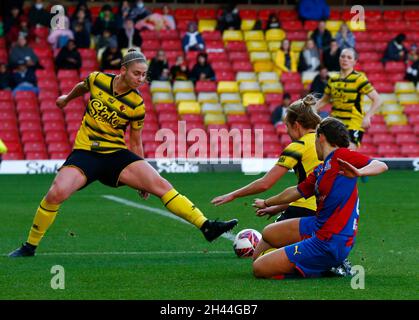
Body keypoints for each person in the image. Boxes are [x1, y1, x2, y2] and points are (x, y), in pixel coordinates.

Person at [8, 48, 238, 257]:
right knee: (56, 193)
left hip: (116, 155)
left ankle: (206, 226)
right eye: (137, 73)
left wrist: (141, 179)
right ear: (123, 70)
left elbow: (135, 141)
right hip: (86, 153)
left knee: (160, 184)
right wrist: (66, 99)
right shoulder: (97, 79)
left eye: (144, 75)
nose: (141, 79)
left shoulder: (137, 104)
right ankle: (29, 246)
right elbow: (82, 86)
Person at [251, 117, 388, 279]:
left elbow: (381, 165)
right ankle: (318, 262)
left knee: (260, 268)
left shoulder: (341, 156)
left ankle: (325, 268)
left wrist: (360, 172)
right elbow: (297, 191)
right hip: (320, 226)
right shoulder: (321, 168)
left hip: (329, 241)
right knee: (269, 232)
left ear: (320, 137)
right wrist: (268, 202)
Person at [212, 94, 322, 222]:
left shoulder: (298, 146)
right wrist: (277, 208)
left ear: (296, 125)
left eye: (287, 126)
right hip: (327, 211)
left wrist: (233, 195)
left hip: (304, 211)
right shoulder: (324, 141)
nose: (286, 131)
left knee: (266, 239)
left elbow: (265, 184)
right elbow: (309, 188)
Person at [315, 48, 382, 149]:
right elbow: (324, 100)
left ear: (354, 61)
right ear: (339, 59)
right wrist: (309, 110)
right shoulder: (333, 79)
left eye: (349, 57)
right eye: (343, 56)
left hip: (353, 123)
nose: (345, 59)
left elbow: (377, 99)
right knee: (329, 152)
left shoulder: (359, 79)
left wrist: (368, 116)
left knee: (347, 153)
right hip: (335, 122)